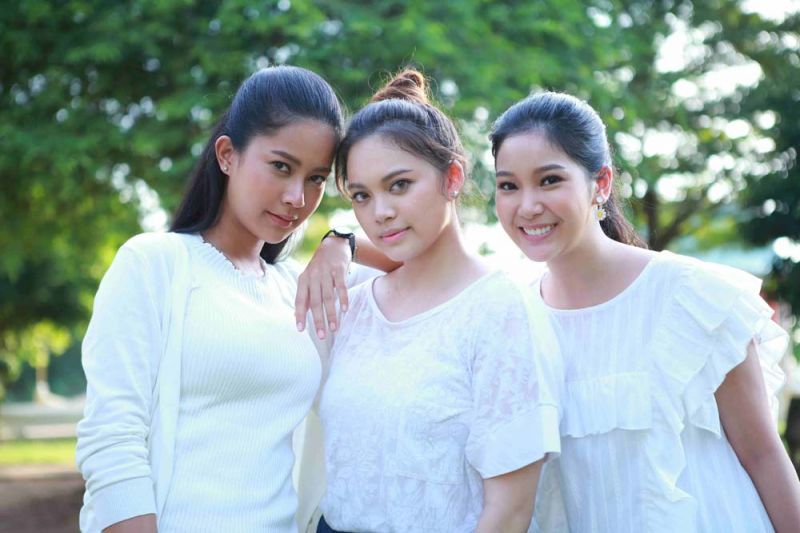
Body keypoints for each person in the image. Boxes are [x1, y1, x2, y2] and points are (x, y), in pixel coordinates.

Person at [75, 65, 387, 533]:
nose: (296, 197)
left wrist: (343, 242)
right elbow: (112, 438)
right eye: (281, 166)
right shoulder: (155, 264)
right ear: (227, 155)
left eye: (316, 179)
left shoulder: (300, 289)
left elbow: (422, 258)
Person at [490, 91, 800, 532]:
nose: (527, 205)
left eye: (550, 180)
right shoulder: (512, 318)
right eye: (508, 186)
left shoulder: (693, 298)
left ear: (601, 183)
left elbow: (763, 454)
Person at [313, 69, 563, 533]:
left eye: (399, 185)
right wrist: (336, 241)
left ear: (452, 177)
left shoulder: (501, 309)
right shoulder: (354, 305)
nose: (380, 212)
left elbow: (509, 512)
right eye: (361, 196)